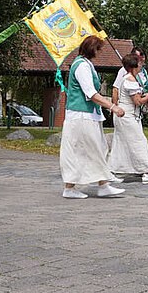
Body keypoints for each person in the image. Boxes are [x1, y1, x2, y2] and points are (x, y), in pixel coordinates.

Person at [59, 35, 126, 199]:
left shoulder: (86, 64)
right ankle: (88, 186)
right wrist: (112, 107)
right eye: (99, 49)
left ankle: (102, 184)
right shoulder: (82, 66)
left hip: (87, 115)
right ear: (92, 49)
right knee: (88, 149)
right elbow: (91, 93)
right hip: (81, 116)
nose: (100, 52)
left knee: (95, 148)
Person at [107, 52, 148, 185]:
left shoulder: (130, 78)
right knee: (139, 142)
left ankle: (111, 170)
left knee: (120, 144)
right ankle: (147, 172)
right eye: (139, 64)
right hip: (127, 116)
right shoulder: (129, 80)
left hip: (126, 115)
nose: (141, 65)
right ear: (134, 67)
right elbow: (138, 101)